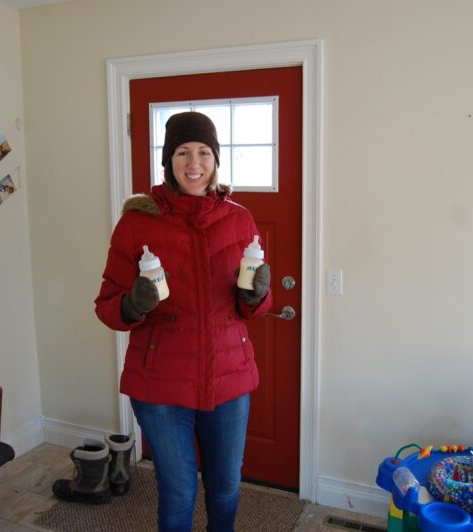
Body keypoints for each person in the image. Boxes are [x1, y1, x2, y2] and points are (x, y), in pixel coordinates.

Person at [94, 111, 273, 531]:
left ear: (216, 160)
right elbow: (107, 306)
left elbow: (251, 306)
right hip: (160, 386)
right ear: (168, 161)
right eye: (183, 152)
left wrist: (258, 295)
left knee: (226, 489)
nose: (194, 163)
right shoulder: (137, 222)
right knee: (178, 492)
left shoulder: (239, 219)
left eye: (204, 152)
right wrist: (134, 303)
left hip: (229, 381)